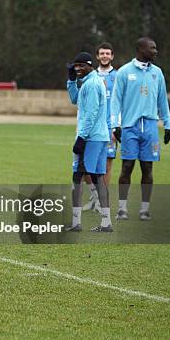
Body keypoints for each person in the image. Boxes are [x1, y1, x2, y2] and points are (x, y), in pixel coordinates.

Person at [111, 37, 170, 221]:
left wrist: (167, 124)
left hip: (151, 128)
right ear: (141, 49)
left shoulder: (157, 73)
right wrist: (116, 124)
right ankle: (122, 209)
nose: (155, 51)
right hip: (130, 127)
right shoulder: (124, 72)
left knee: (147, 168)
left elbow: (162, 99)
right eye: (152, 48)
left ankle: (144, 209)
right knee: (127, 166)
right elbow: (116, 100)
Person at [65, 52, 113, 232]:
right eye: (75, 66)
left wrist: (81, 137)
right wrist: (71, 81)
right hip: (100, 136)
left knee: (78, 175)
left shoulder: (92, 84)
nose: (78, 69)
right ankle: (106, 223)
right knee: (98, 177)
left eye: (81, 66)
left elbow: (91, 113)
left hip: (91, 137)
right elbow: (75, 99)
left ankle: (76, 223)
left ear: (90, 66)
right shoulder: (89, 82)